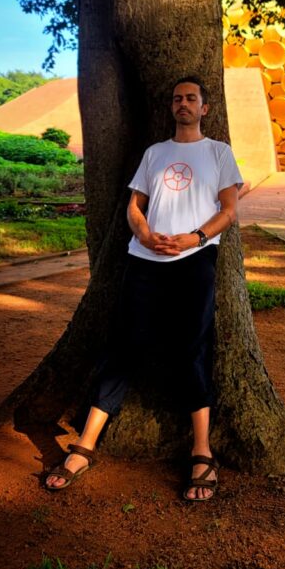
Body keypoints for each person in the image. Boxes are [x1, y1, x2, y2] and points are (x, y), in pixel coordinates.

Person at [45, 76, 243, 501]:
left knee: (193, 348)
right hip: (145, 260)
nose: (183, 104)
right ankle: (85, 445)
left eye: (191, 98)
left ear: (205, 108)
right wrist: (147, 233)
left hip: (194, 260)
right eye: (177, 99)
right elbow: (135, 207)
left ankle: (202, 451)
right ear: (171, 107)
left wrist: (194, 238)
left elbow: (229, 210)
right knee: (123, 347)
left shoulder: (219, 153)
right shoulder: (155, 153)